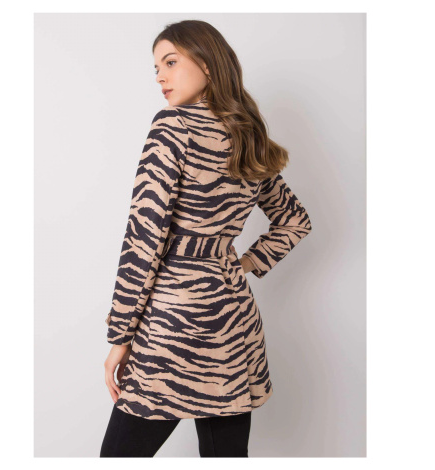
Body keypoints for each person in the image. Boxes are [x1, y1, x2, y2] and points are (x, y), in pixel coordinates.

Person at [100, 20, 313, 458]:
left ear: (209, 64)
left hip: (173, 324)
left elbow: (143, 240)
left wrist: (120, 336)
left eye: (170, 62)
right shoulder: (247, 136)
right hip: (232, 323)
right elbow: (295, 221)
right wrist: (239, 264)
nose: (160, 76)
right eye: (156, 67)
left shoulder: (172, 127)